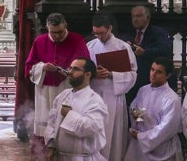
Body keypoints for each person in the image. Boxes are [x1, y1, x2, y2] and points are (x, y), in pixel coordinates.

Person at [24, 12, 90, 158]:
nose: (56, 36)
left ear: (66, 26)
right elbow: (29, 68)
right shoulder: (40, 41)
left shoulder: (77, 40)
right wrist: (42, 67)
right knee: (45, 126)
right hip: (44, 93)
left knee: (65, 126)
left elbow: (85, 67)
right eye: (52, 32)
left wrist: (64, 71)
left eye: (60, 32)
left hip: (67, 89)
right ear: (47, 28)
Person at [86, 13, 137, 161]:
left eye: (102, 33)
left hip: (113, 96)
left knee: (112, 136)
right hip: (94, 94)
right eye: (96, 33)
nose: (99, 37)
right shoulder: (90, 46)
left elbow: (133, 75)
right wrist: (92, 73)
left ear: (110, 28)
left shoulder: (123, 47)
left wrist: (111, 75)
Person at [44, 57, 108, 161]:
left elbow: (90, 127)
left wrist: (69, 115)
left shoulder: (95, 100)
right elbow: (51, 122)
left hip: (82, 158)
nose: (69, 72)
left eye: (76, 69)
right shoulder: (63, 95)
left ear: (88, 74)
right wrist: (51, 145)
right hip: (60, 156)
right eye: (70, 68)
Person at [124, 57, 183, 161]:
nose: (153, 74)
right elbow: (134, 110)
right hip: (139, 146)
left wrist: (141, 136)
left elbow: (166, 128)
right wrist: (137, 115)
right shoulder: (143, 90)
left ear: (168, 75)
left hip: (161, 148)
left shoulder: (172, 99)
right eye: (152, 69)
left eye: (159, 72)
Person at [121, 5, 174, 104]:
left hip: (149, 79)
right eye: (133, 16)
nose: (136, 19)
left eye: (139, 16)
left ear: (148, 17)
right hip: (131, 83)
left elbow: (165, 50)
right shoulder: (127, 34)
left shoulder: (158, 33)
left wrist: (144, 52)